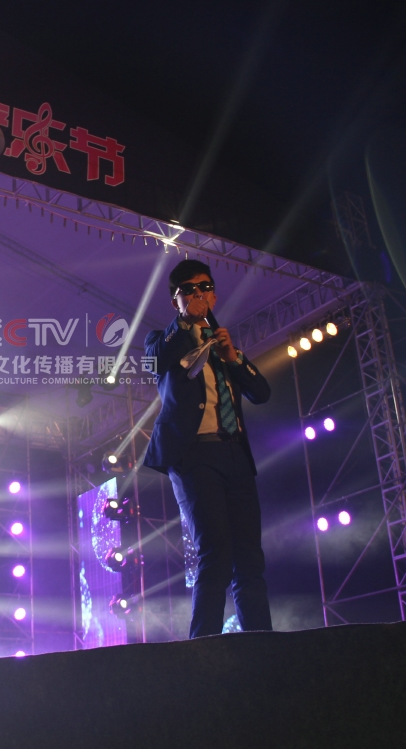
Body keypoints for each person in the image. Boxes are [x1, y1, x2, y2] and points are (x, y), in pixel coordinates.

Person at [143, 259, 273, 637]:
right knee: (215, 551)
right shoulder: (165, 338)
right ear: (176, 300)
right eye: (188, 290)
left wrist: (234, 357)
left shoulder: (224, 344)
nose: (198, 294)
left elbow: (261, 392)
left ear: (215, 295)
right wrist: (185, 322)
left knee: (250, 558)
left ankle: (264, 645)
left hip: (236, 454)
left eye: (205, 287)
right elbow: (155, 361)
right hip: (195, 454)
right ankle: (204, 648)